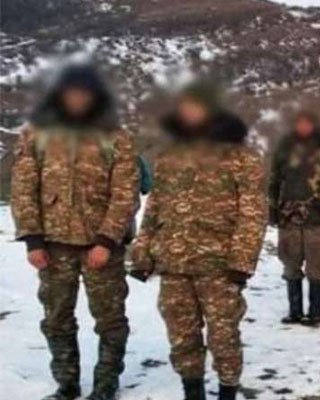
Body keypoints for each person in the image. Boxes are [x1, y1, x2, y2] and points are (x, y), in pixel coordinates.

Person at [130, 82, 267, 400]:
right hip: (174, 263)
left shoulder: (241, 158)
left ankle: (227, 391)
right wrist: (142, 253)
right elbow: (154, 210)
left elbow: (253, 213)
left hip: (219, 265)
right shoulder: (168, 158)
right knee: (181, 336)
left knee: (223, 335)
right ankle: (192, 392)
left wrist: (241, 262)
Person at [11, 64, 138, 400]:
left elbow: (125, 193)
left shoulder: (115, 136)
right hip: (53, 247)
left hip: (101, 247)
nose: (77, 99)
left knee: (110, 319)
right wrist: (33, 240)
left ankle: (106, 384)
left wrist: (106, 240)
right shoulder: (37, 134)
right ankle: (66, 384)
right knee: (56, 319)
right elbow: (24, 188)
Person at [269, 111, 320, 327]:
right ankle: (295, 312)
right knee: (290, 265)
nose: (303, 127)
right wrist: (273, 211)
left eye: (307, 123)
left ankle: (314, 314)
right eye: (300, 123)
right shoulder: (284, 148)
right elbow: (274, 182)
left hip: (318, 217)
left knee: (318, 267)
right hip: (289, 218)